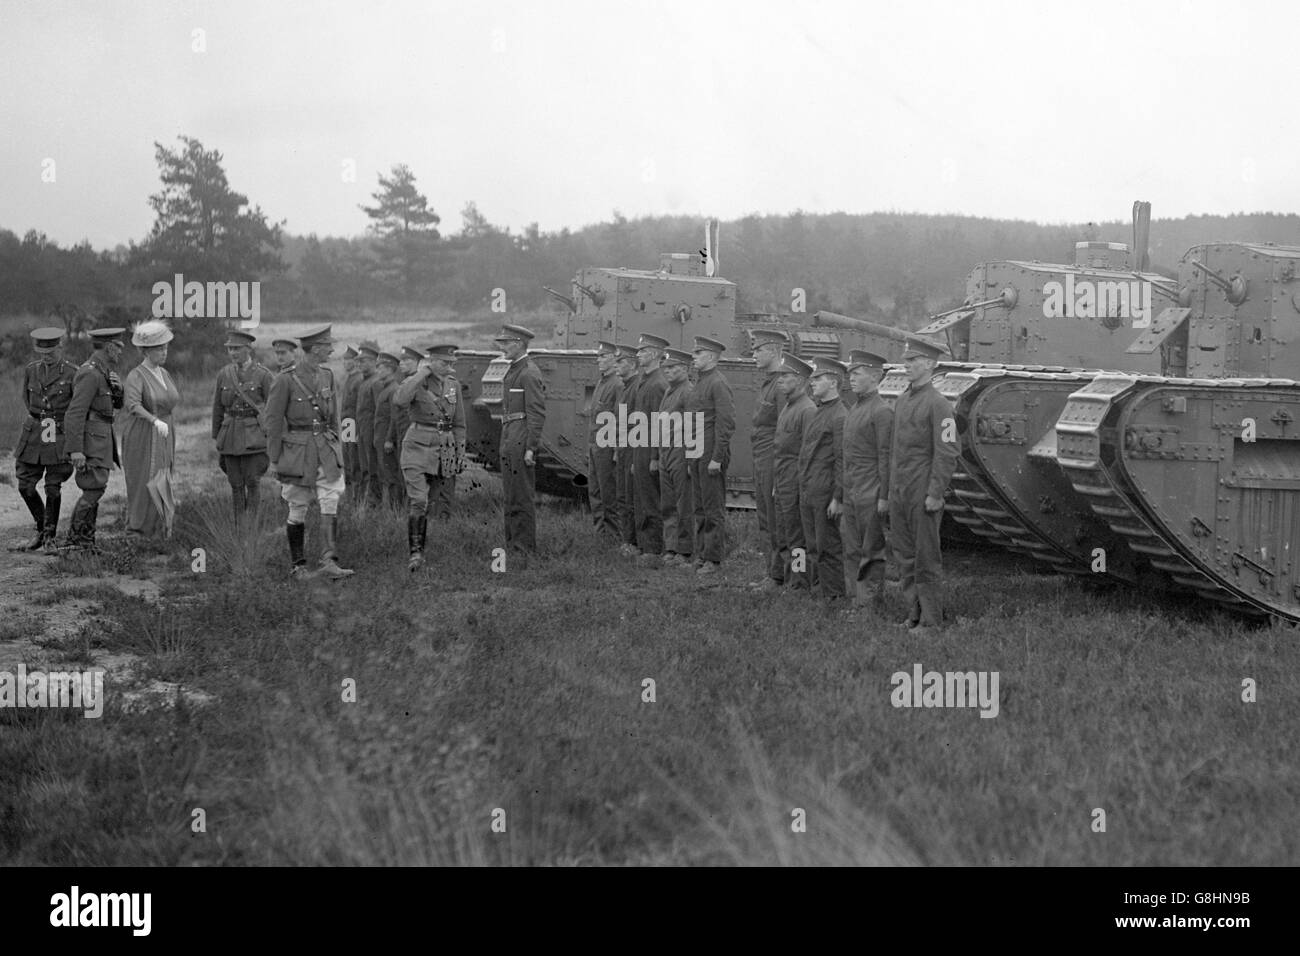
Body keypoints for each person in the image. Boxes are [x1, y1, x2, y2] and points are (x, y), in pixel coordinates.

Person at [265, 324, 353, 580]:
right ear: (315, 349)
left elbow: (334, 417)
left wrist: (337, 447)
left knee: (331, 499)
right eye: (327, 347)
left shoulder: (327, 376)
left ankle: (329, 560)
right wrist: (274, 458)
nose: (332, 350)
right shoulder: (284, 379)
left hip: (325, 448)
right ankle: (298, 566)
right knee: (297, 504)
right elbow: (272, 422)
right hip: (298, 451)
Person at [890, 337, 959, 634]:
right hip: (900, 490)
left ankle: (931, 621)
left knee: (926, 557)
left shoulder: (939, 404)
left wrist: (935, 493)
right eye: (906, 361)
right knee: (905, 555)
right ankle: (913, 614)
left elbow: (947, 452)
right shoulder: (904, 400)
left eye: (913, 361)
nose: (907, 366)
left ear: (930, 365)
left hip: (922, 490)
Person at [394, 344, 465, 571]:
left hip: (444, 446)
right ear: (432, 361)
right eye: (444, 363)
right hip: (417, 444)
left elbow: (460, 423)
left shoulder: (453, 385)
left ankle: (424, 552)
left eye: (452, 363)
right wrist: (422, 373)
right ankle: (415, 554)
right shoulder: (417, 381)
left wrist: (459, 453)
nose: (449, 367)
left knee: (436, 501)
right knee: (419, 501)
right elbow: (400, 400)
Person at [11, 327, 77, 551]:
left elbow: (77, 407)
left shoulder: (72, 372)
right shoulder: (31, 370)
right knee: (25, 485)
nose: (46, 356)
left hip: (58, 431)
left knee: (53, 487)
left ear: (60, 346)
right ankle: (41, 529)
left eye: (50, 352)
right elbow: (27, 399)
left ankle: (49, 537)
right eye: (42, 352)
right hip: (35, 430)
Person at [63, 327, 127, 552]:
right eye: (118, 347)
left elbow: (111, 407)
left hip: (101, 437)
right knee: (93, 488)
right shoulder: (90, 373)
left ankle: (86, 542)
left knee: (96, 487)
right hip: (92, 441)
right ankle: (75, 542)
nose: (121, 351)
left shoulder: (103, 372)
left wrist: (119, 391)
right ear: (109, 347)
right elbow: (75, 413)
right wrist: (75, 450)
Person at [841, 350, 893, 609]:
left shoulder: (881, 411)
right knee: (851, 547)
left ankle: (869, 604)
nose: (851, 378)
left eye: (857, 374)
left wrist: (884, 496)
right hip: (852, 489)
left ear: (874, 377)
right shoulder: (855, 408)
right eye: (851, 373)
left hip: (870, 490)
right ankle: (854, 599)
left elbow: (885, 456)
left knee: (871, 550)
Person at [121, 319, 181, 542]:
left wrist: (164, 423)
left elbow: (171, 399)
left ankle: (161, 530)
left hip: (165, 432)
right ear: (146, 351)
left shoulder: (164, 373)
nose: (164, 352)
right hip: (144, 433)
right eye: (159, 348)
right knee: (144, 478)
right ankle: (138, 530)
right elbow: (133, 405)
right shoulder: (137, 375)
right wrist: (154, 421)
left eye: (166, 347)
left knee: (163, 476)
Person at [212, 330, 274, 522]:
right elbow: (218, 407)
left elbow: (272, 409)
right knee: (235, 484)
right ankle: (240, 525)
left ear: (249, 349)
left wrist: (272, 437)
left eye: (237, 348)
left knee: (253, 482)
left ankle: (252, 525)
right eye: (230, 349)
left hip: (254, 437)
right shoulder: (224, 374)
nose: (233, 353)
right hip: (230, 436)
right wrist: (217, 435)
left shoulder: (263, 375)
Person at [684, 335, 734, 575]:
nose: (693, 358)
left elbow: (725, 423)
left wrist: (717, 457)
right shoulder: (700, 382)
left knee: (713, 508)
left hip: (710, 453)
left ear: (711, 357)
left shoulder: (718, 383)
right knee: (700, 506)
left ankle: (713, 559)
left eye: (698, 354)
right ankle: (702, 554)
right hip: (697, 452)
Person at [799, 357, 848, 600]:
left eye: (818, 379)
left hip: (824, 490)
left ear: (833, 382)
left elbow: (841, 460)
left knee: (828, 545)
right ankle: (816, 588)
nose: (812, 383)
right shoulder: (819, 411)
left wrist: (838, 497)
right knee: (811, 544)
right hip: (810, 487)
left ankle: (834, 594)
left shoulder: (839, 415)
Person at [494, 324, 546, 553]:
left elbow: (536, 414)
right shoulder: (515, 369)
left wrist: (530, 447)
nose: (503, 347)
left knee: (521, 495)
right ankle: (512, 543)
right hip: (509, 433)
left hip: (520, 435)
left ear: (518, 344)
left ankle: (524, 548)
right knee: (510, 494)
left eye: (506, 343)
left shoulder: (529, 372)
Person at [748, 329, 790, 590]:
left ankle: (781, 575)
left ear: (773, 351)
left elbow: (785, 430)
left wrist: (777, 468)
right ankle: (772, 572)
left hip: (774, 461)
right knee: (766, 519)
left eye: (758, 350)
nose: (753, 355)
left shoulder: (781, 385)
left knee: (777, 521)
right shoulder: (769, 382)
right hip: (762, 458)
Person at [770, 352, 815, 589]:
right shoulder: (788, 407)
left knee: (797, 538)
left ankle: (798, 582)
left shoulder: (807, 410)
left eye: (785, 376)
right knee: (783, 533)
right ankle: (782, 577)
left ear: (799, 380)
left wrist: (800, 487)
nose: (779, 380)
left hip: (796, 483)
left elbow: (807, 454)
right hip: (783, 480)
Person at [652, 347, 695, 567]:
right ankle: (671, 547)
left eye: (673, 368)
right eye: (666, 368)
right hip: (666, 451)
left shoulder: (688, 392)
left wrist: (690, 460)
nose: (667, 372)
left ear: (685, 369)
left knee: (683, 504)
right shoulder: (670, 391)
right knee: (668, 504)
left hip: (681, 452)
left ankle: (685, 551)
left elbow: (693, 427)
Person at [630, 332, 669, 561]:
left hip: (649, 447)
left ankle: (653, 548)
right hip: (641, 446)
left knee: (651, 499)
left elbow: (659, 424)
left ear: (654, 354)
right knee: (642, 498)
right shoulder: (646, 381)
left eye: (643, 351)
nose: (638, 355)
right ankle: (646, 545)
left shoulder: (657, 384)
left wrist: (654, 456)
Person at [587, 340, 622, 537]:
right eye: (598, 356)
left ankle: (612, 535)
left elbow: (619, 419)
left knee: (609, 493)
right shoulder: (602, 382)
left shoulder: (617, 385)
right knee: (595, 491)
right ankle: (601, 533)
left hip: (607, 447)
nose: (598, 360)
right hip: (595, 445)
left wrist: (616, 450)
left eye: (603, 356)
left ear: (613, 359)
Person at [613, 344, 640, 554]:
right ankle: (627, 540)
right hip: (623, 447)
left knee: (631, 496)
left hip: (633, 447)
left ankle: (634, 542)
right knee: (623, 495)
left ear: (631, 364)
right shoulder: (625, 387)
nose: (617, 365)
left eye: (620, 361)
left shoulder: (636, 387)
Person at [372, 351, 403, 508]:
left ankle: (396, 509)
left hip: (387, 441)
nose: (378, 371)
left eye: (381, 368)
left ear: (390, 369)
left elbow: (394, 417)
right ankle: (392, 508)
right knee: (386, 475)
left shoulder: (393, 389)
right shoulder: (386, 388)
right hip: (381, 439)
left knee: (391, 477)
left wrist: (389, 439)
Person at [355, 343, 380, 506]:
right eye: (360, 361)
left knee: (373, 468)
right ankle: (365, 500)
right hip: (363, 431)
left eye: (364, 361)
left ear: (373, 362)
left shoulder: (376, 382)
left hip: (372, 432)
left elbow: (379, 411)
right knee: (364, 467)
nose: (361, 364)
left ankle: (374, 502)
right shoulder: (364, 381)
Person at [340, 345, 362, 499]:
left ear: (355, 361)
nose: (345, 363)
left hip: (354, 424)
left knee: (355, 462)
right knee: (347, 461)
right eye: (344, 360)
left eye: (348, 360)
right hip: (347, 424)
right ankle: (350, 496)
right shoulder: (349, 378)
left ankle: (357, 497)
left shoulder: (358, 379)